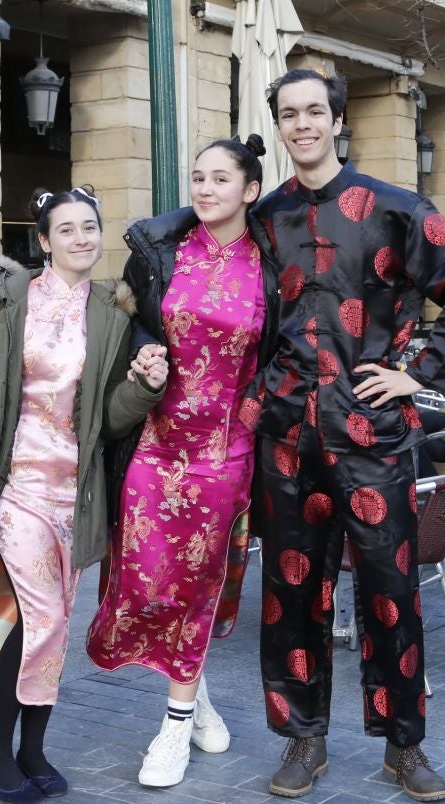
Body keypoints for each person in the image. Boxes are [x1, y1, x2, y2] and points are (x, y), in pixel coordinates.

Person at [241, 68, 445, 802]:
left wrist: (419, 371)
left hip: (372, 435)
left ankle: (404, 745)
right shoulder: (264, 219)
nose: (302, 124)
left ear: (338, 119)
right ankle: (303, 738)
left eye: (314, 111)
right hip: (287, 435)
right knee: (290, 593)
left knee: (390, 589)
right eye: (289, 114)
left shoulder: (396, 208)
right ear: (280, 127)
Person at [0, 187, 167, 804]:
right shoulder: (2, 307)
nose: (80, 238)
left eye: (89, 227)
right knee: (36, 618)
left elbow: (109, 419)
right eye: (64, 230)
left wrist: (143, 387)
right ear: (42, 241)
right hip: (15, 487)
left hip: (76, 493)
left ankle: (32, 749)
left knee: (54, 622)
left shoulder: (111, 313)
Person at [87, 135, 278, 788]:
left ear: (250, 190)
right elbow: (140, 321)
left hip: (225, 452)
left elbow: (282, 356)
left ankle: (172, 728)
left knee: (197, 588)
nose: (205, 188)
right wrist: (145, 353)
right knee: (144, 583)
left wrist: (252, 420)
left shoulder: (273, 264)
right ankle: (194, 697)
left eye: (221, 179)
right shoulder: (163, 251)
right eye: (198, 177)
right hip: (156, 445)